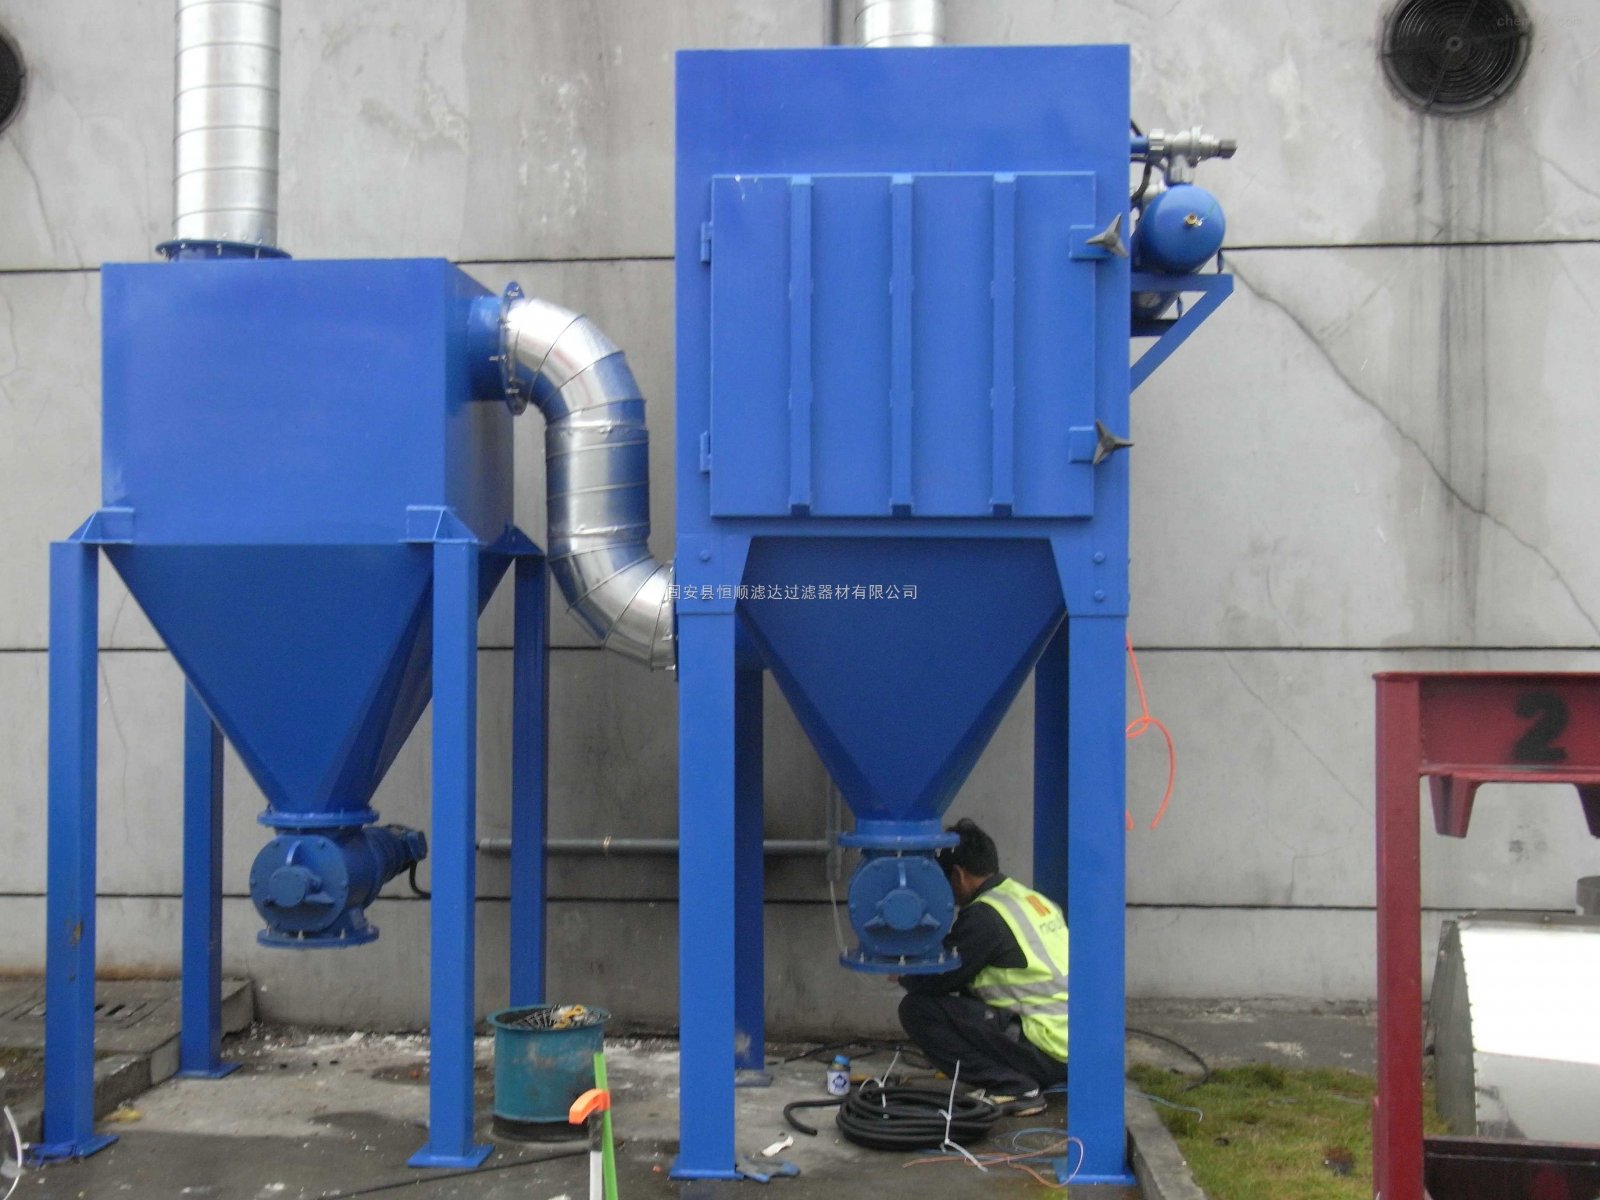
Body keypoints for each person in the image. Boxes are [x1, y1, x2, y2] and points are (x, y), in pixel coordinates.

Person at [897, 818, 1068, 1116]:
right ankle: (1015, 1077)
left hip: (1047, 1047)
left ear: (958, 875)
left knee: (917, 1010)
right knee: (966, 996)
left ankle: (1015, 1088)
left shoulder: (985, 916)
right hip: (1073, 1043)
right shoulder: (1029, 899)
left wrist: (904, 969)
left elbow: (936, 980)